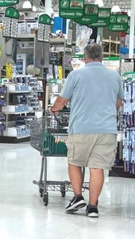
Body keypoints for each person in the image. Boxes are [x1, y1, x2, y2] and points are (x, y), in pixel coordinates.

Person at [50, 42, 123, 217]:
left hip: (82, 128)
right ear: (102, 57)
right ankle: (92, 207)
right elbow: (119, 102)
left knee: (74, 162)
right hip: (107, 129)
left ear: (85, 57)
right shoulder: (115, 76)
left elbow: (62, 101)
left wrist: (54, 109)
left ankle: (77, 197)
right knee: (97, 168)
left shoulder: (76, 75)